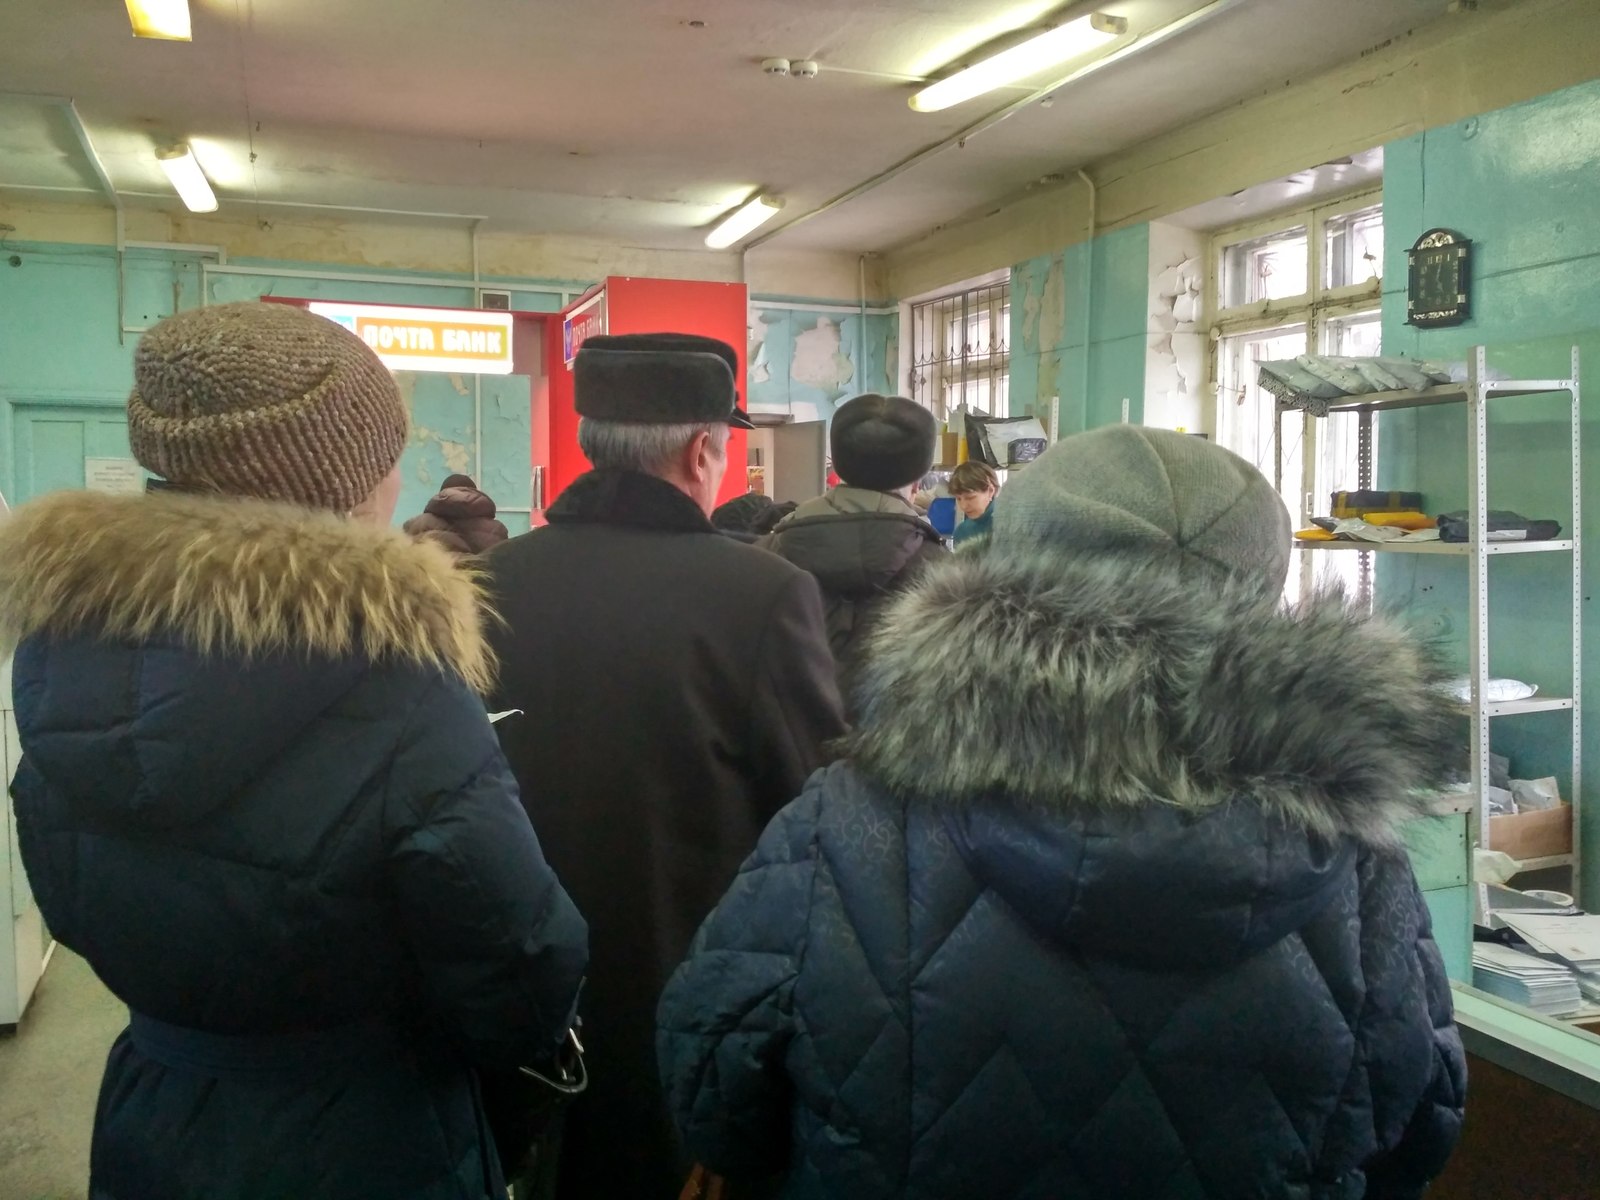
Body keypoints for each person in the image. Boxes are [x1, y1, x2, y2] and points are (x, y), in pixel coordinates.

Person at [660, 425, 1466, 1200]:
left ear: (1010, 568)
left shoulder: (848, 821)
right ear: (1263, 584)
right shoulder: (1358, 864)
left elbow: (714, 1082)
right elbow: (1416, 1123)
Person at [0, 302, 588, 1200]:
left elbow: (63, 887)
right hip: (373, 1131)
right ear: (349, 486)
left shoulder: (59, 649)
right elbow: (521, 960)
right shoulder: (398, 684)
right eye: (390, 460)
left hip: (155, 1105)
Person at [481, 332, 847, 1199]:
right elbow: (815, 812)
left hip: (513, 988)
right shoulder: (759, 593)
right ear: (702, 450)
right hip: (685, 998)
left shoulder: (487, 579)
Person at [761, 393, 946, 702]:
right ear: (918, 478)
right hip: (896, 748)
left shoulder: (764, 556)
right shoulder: (951, 576)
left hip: (782, 745)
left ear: (839, 464)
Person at [404, 473, 511, 558]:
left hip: (431, 585)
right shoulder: (497, 530)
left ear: (441, 494)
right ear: (474, 492)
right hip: (480, 585)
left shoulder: (415, 525)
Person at [948, 458, 999, 544]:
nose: (963, 506)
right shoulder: (962, 532)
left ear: (990, 491)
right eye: (958, 498)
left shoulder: (1009, 527)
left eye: (970, 498)